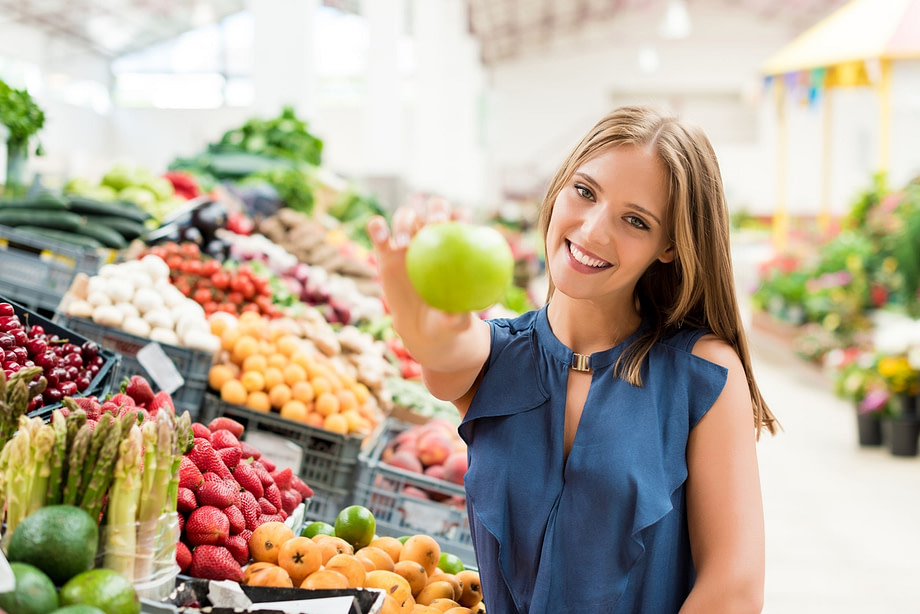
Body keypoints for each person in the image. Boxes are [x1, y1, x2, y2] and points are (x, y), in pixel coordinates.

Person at [366, 105, 777, 614]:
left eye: (634, 220)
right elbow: (441, 349)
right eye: (585, 192)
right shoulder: (496, 356)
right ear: (560, 187)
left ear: (670, 245)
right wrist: (413, 305)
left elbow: (733, 589)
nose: (593, 230)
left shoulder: (704, 375)